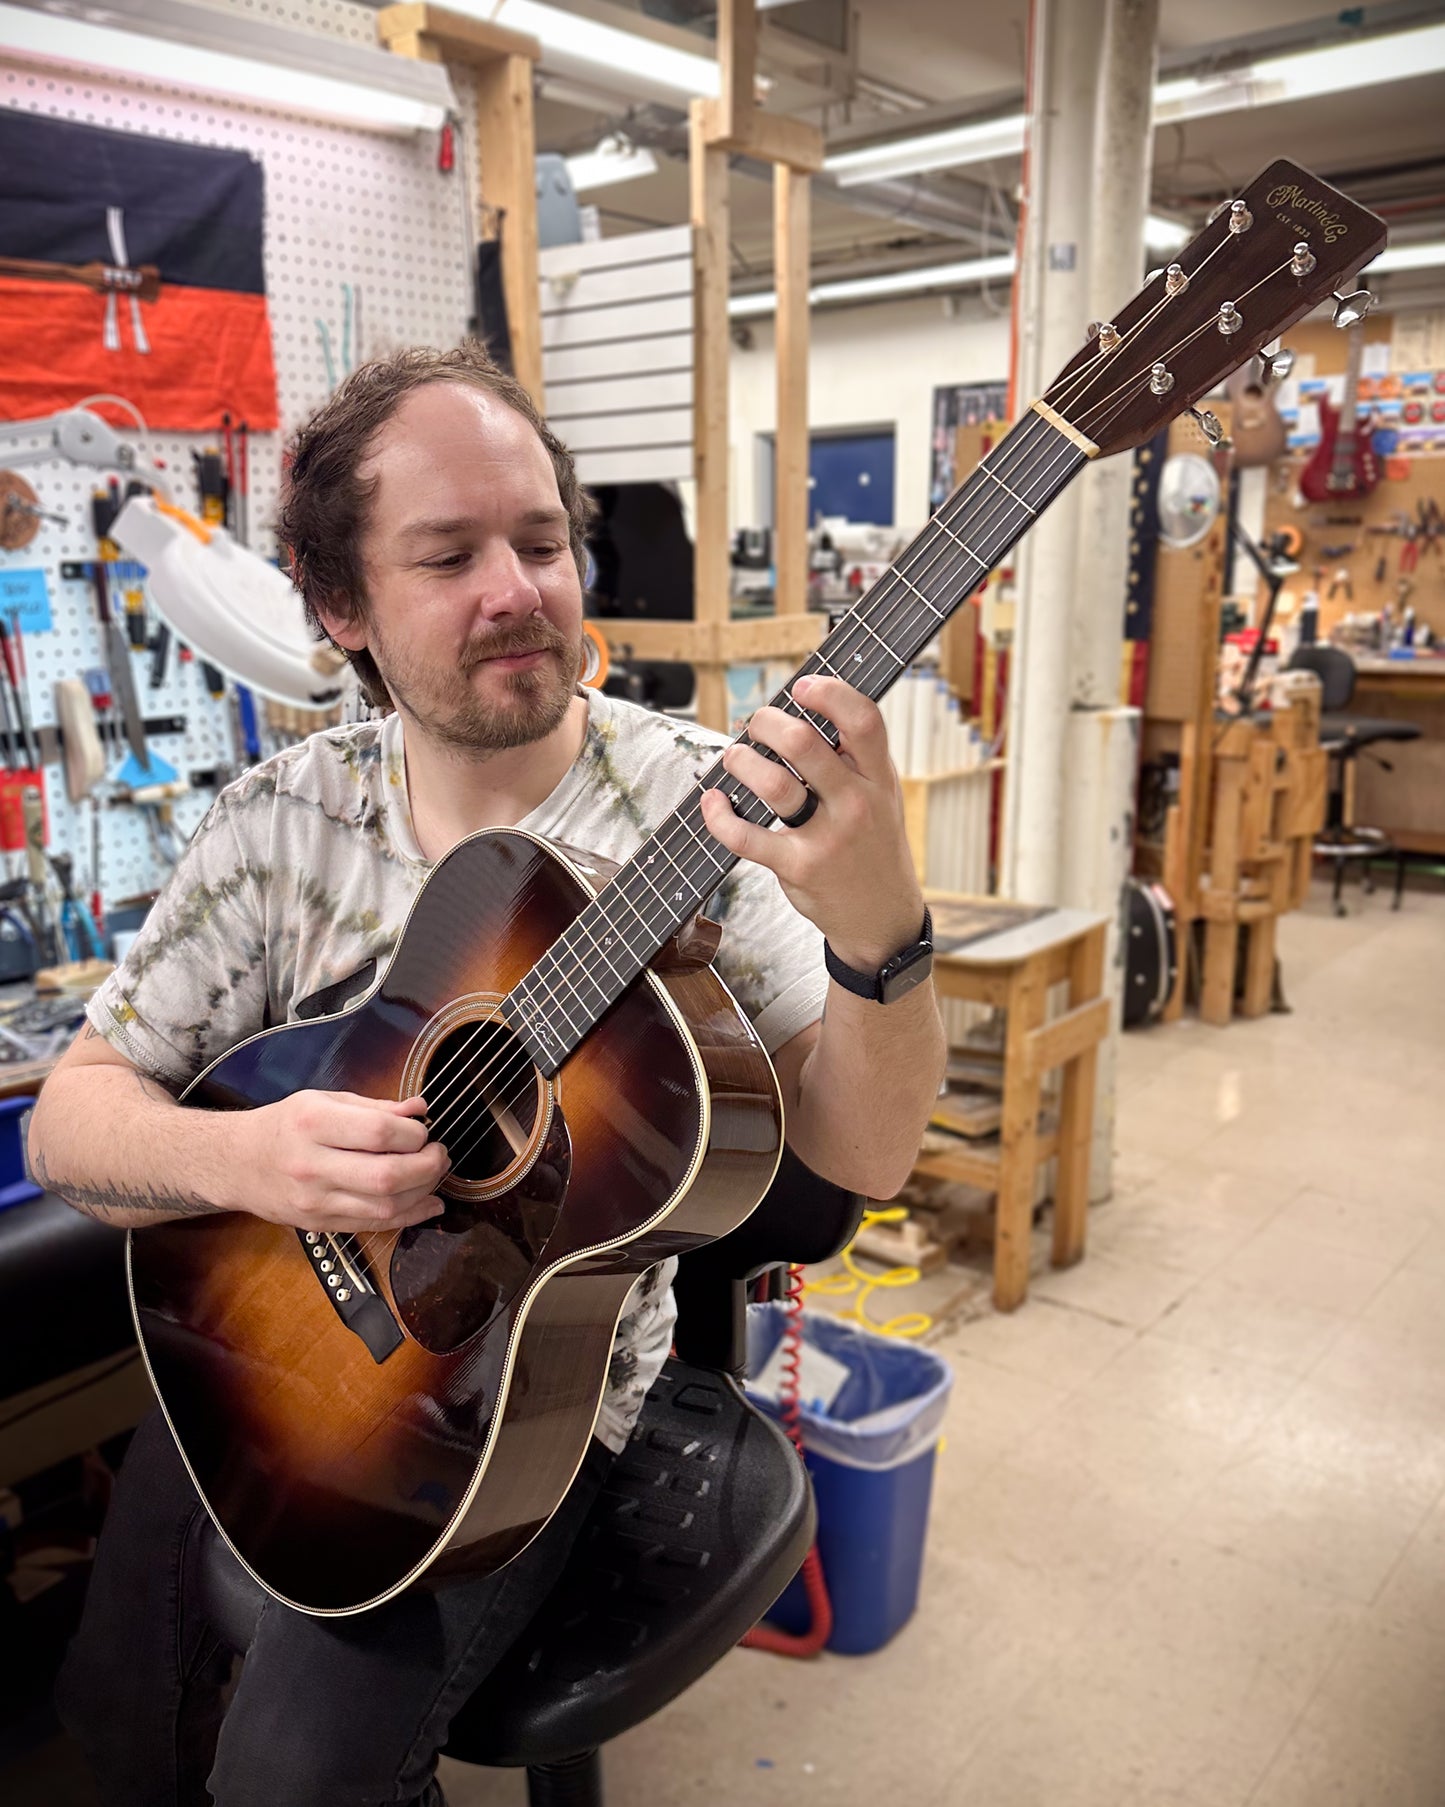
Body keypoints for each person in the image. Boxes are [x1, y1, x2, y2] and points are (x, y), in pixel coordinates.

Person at [28, 342, 946, 1807]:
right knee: (115, 1712)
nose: (517, 586)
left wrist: (883, 930)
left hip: (519, 1409)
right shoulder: (277, 822)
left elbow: (860, 1163)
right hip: (254, 1335)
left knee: (293, 1783)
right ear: (341, 611)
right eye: (447, 554)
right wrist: (245, 1162)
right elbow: (77, 1119)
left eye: (539, 539)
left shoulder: (711, 809)